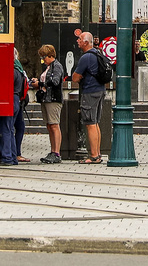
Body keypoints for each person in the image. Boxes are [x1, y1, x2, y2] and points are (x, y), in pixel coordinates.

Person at [68, 30, 106, 164]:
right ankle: (98, 153)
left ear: (85, 42)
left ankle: (93, 156)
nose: (77, 41)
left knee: (90, 123)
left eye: (79, 39)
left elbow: (75, 77)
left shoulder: (86, 57)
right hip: (100, 90)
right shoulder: (97, 53)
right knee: (95, 123)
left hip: (90, 91)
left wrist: (80, 77)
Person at [37, 44, 65, 165]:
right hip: (46, 99)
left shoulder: (57, 66)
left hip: (53, 99)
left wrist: (40, 83)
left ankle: (56, 152)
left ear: (50, 56)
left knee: (54, 125)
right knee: (50, 125)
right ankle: (52, 151)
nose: (43, 60)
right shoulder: (49, 67)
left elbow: (55, 81)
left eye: (44, 57)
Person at [9, 48, 30, 165]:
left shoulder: (15, 68)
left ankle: (14, 153)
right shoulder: (19, 68)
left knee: (13, 127)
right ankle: (15, 153)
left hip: (16, 100)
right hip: (18, 100)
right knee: (18, 127)